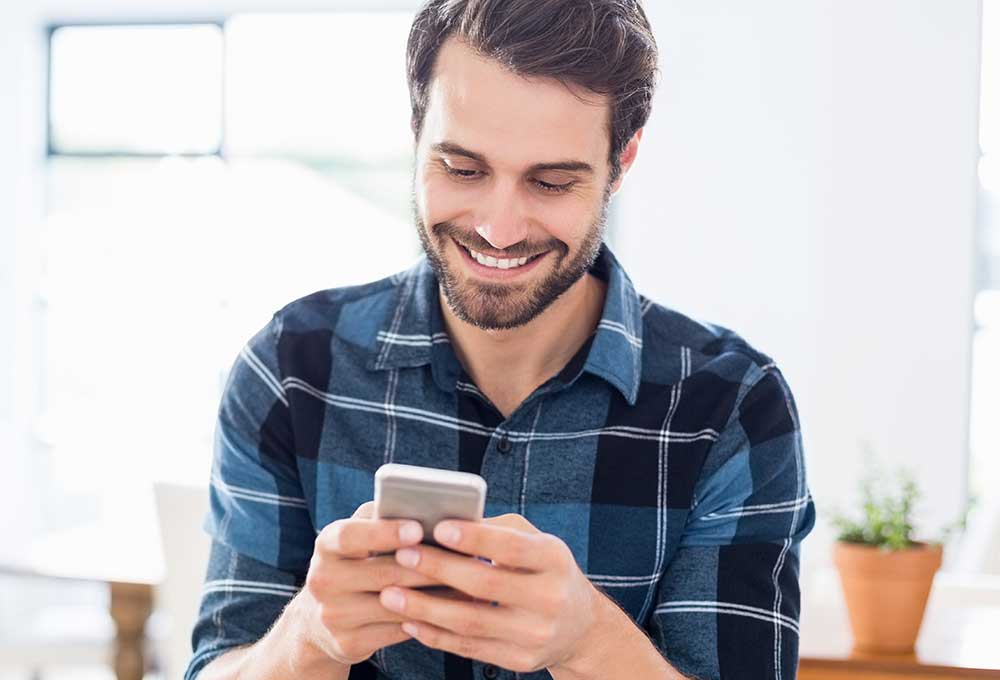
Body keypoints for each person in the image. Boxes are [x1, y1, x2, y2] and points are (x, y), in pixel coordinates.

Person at [185, 1, 816, 679]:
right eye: (462, 169)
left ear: (621, 161)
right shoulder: (291, 369)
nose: (501, 228)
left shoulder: (731, 408)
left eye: (550, 182)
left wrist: (589, 641)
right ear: (415, 133)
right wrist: (309, 636)